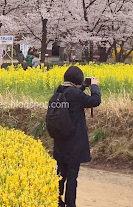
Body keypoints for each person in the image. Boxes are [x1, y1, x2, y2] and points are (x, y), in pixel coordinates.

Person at [52, 66, 101, 207]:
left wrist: (83, 86)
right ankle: (70, 204)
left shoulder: (59, 90)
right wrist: (94, 86)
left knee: (60, 174)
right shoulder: (75, 95)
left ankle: (56, 200)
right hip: (74, 143)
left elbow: (72, 94)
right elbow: (95, 101)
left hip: (60, 141)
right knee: (72, 176)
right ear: (78, 79)